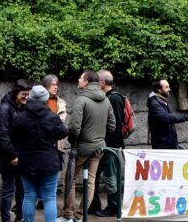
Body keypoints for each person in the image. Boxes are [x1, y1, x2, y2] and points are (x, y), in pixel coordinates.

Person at [57, 70, 116, 222]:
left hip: (82, 147)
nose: (78, 79)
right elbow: (112, 126)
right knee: (90, 180)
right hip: (99, 147)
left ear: (86, 82)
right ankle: (81, 215)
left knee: (70, 178)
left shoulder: (81, 100)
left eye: (80, 78)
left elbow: (74, 128)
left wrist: (73, 142)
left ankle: (68, 215)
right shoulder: (106, 100)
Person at [12, 85, 69, 222]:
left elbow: (14, 136)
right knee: (49, 197)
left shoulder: (20, 117)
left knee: (29, 196)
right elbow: (63, 132)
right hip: (48, 162)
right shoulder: (52, 117)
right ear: (46, 99)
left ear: (30, 98)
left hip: (26, 162)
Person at [0, 79, 31, 222]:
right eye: (23, 94)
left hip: (22, 154)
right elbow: (2, 136)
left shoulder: (24, 107)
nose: (26, 97)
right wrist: (13, 155)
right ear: (16, 93)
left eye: (28, 94)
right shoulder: (4, 109)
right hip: (7, 156)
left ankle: (20, 216)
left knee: (22, 188)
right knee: (8, 189)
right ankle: (5, 219)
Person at [88, 70, 126, 217]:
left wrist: (108, 146)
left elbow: (115, 125)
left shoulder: (114, 98)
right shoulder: (108, 97)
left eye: (97, 81)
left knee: (110, 176)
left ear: (102, 82)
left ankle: (114, 206)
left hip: (110, 146)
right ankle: (94, 204)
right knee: (97, 175)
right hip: (106, 145)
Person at [39, 75, 67, 209]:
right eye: (52, 85)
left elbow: (61, 122)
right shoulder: (39, 102)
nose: (55, 87)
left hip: (56, 144)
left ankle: (48, 199)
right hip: (41, 142)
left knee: (54, 173)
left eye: (56, 84)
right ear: (45, 86)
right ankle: (40, 198)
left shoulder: (61, 102)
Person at [147, 78, 188, 149]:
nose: (169, 89)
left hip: (169, 144)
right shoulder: (154, 103)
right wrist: (186, 116)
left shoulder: (160, 100)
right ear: (159, 90)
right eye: (166, 87)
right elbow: (166, 117)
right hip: (163, 147)